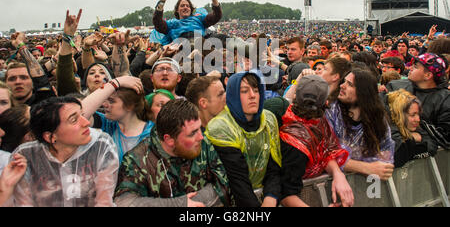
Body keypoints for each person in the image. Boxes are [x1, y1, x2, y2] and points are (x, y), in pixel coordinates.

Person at [114, 99, 233, 207]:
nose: (201, 137)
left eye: (199, 129)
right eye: (192, 133)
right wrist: (178, 204)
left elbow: (225, 185)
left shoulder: (204, 145)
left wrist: (195, 202)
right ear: (169, 140)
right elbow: (124, 202)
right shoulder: (137, 160)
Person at [12, 96, 119, 207]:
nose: (86, 122)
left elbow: (104, 202)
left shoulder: (101, 145)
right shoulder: (25, 156)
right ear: (50, 137)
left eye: (82, 115)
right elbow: (23, 204)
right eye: (74, 120)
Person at [205, 72, 282, 207]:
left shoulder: (269, 119)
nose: (252, 95)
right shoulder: (221, 127)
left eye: (256, 90)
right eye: (244, 91)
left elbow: (274, 167)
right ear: (233, 95)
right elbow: (237, 179)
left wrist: (271, 197)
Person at [277, 75, 353, 207]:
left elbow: (325, 150)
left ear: (295, 97)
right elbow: (285, 194)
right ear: (326, 103)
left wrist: (337, 174)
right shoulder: (294, 143)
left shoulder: (317, 122)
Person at [325, 68, 395, 181]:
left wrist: (373, 167)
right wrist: (367, 167)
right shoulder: (329, 112)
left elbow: (385, 161)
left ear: (363, 93)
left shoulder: (378, 120)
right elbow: (326, 155)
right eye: (344, 81)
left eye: (350, 84)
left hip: (365, 188)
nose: (342, 86)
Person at [81, 75, 154, 163]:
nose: (104, 104)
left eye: (111, 101)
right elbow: (80, 114)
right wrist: (115, 83)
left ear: (129, 105)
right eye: (106, 99)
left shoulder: (153, 133)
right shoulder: (107, 125)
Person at [386, 53, 450, 141]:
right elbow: (383, 118)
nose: (410, 68)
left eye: (415, 67)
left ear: (428, 75)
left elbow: (445, 134)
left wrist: (420, 136)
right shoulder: (395, 86)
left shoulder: (445, 99)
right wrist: (406, 135)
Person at [152, 0, 222, 44]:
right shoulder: (171, 24)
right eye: (182, 6)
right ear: (177, 10)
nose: (185, 7)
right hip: (181, 49)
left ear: (191, 10)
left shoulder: (199, 19)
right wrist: (162, 1)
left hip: (200, 47)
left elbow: (216, 16)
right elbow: (157, 22)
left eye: (188, 6)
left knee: (223, 38)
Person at [387, 89, 438, 168]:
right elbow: (398, 158)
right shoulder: (388, 130)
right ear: (400, 115)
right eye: (413, 115)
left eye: (418, 114)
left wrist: (414, 139)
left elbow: (432, 146)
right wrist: (412, 138)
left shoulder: (418, 126)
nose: (418, 119)